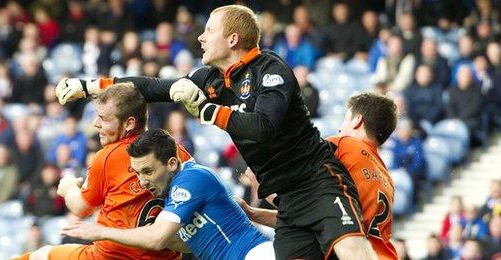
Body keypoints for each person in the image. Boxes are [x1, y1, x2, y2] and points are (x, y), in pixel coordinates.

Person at [56, 5, 374, 259]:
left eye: (209, 30)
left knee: (352, 250)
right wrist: (90, 85)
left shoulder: (271, 69)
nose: (201, 38)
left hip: (317, 180)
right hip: (288, 200)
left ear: (232, 39)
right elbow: (152, 88)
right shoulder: (211, 79)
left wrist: (208, 111)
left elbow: (263, 127)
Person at [19, 83, 191, 260]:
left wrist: (68, 187)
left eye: (104, 118)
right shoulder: (179, 153)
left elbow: (81, 208)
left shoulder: (109, 156)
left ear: (129, 123)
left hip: (111, 256)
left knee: (40, 255)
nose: (96, 124)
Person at [61, 129, 274, 259]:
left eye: (148, 171)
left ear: (172, 163)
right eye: (138, 173)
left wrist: (101, 232)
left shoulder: (190, 179)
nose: (143, 181)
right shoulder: (172, 195)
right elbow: (182, 242)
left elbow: (157, 238)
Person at [236, 93, 399, 259]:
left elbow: (297, 205)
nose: (339, 128)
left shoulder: (342, 145)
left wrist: (262, 180)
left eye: (345, 118)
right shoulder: (386, 178)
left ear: (357, 121)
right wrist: (252, 213)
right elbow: (309, 218)